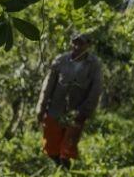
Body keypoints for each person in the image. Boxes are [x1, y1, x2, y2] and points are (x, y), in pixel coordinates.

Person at [36, 33, 103, 168]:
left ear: (88, 45)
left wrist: (85, 110)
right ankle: (59, 166)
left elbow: (96, 89)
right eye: (75, 43)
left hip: (77, 111)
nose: (77, 46)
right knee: (51, 144)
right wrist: (41, 106)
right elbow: (48, 84)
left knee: (68, 147)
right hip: (55, 108)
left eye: (81, 43)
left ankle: (65, 170)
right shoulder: (60, 60)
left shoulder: (94, 64)